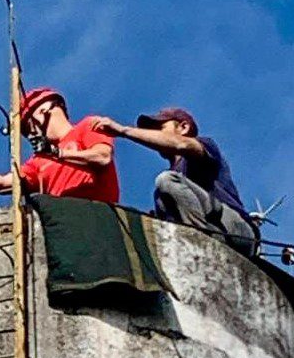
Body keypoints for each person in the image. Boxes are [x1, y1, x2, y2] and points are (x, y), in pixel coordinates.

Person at [91, 108, 259, 256]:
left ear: (183, 127)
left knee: (166, 181)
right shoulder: (168, 190)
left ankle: (199, 242)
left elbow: (181, 145)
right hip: (217, 234)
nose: (155, 135)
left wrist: (123, 130)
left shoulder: (203, 146)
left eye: (160, 128)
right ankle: (194, 244)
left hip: (236, 231)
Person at [0, 87, 119, 203]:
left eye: (28, 127)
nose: (30, 135)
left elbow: (102, 157)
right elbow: (6, 183)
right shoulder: (39, 161)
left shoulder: (88, 126)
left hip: (100, 216)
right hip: (67, 224)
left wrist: (58, 152)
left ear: (44, 111)